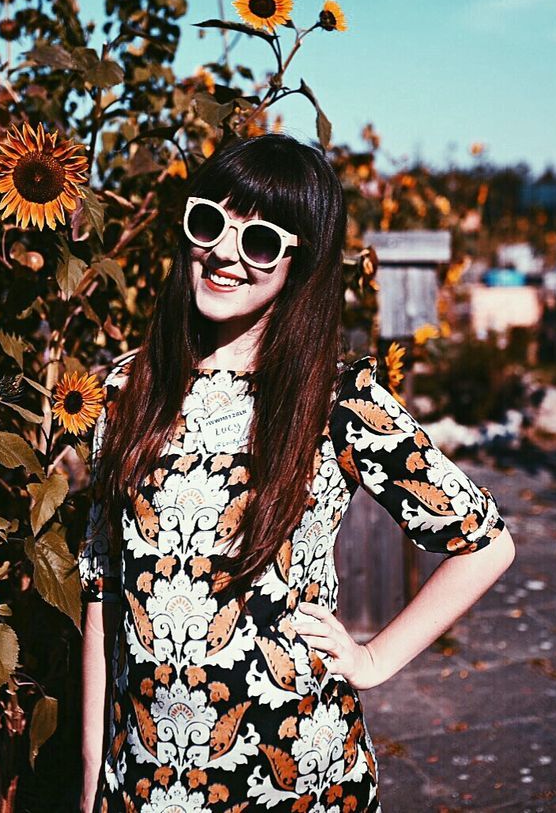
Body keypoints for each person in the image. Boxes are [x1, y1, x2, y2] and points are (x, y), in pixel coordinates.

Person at [78, 133, 515, 813]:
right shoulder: (124, 392)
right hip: (150, 784)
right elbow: (103, 591)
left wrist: (374, 660)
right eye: (209, 222)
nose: (224, 252)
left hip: (298, 779)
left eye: (259, 241)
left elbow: (485, 541)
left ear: (299, 262)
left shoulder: (338, 401)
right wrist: (91, 765)